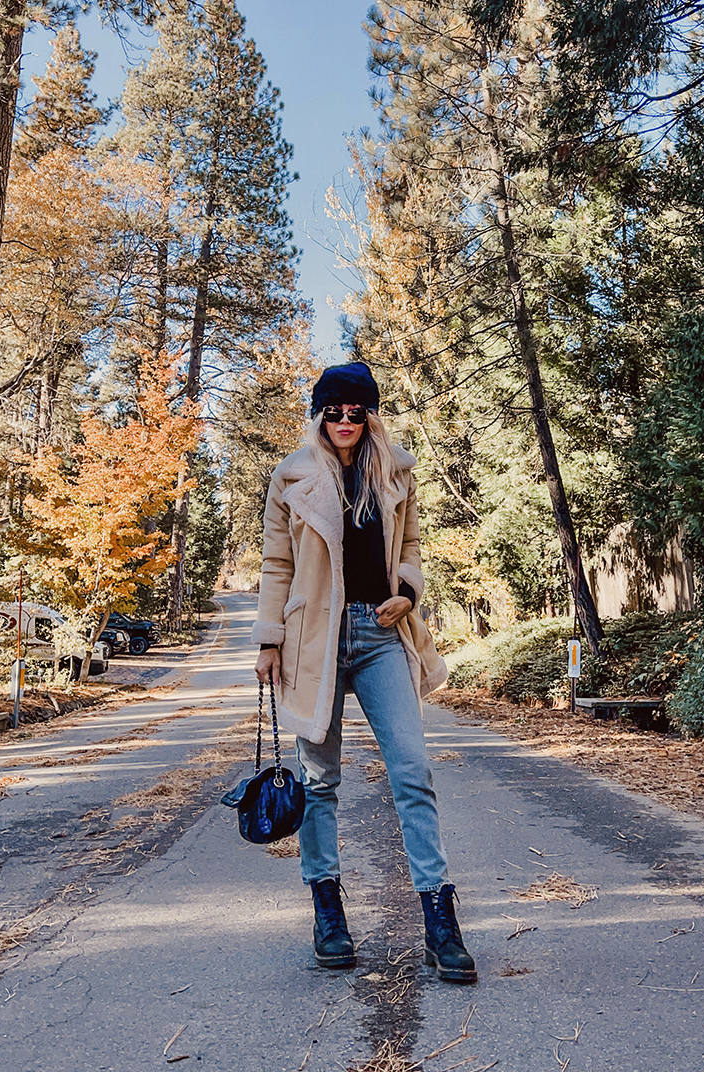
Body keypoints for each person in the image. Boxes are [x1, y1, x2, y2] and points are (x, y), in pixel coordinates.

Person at [253, 361, 476, 984]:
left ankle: (439, 921)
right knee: (320, 780)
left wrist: (408, 591)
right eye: (334, 410)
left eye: (357, 411)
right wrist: (269, 640)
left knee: (413, 771)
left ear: (370, 414)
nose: (346, 421)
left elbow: (409, 549)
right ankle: (329, 913)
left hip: (380, 634)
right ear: (319, 412)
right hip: (313, 639)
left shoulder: (396, 470)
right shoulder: (290, 477)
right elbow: (276, 564)